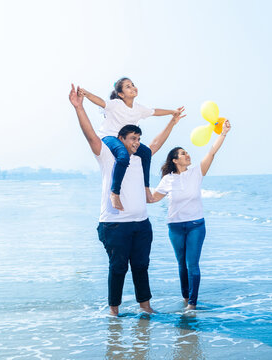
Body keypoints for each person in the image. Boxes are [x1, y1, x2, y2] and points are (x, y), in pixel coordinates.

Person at [69, 84, 185, 316]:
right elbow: (90, 135)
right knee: (118, 268)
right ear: (120, 138)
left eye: (138, 138)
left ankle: (146, 307)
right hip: (114, 225)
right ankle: (114, 311)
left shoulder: (140, 158)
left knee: (141, 267)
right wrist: (79, 108)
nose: (136, 142)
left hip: (141, 224)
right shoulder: (107, 155)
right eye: (132, 138)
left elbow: (156, 144)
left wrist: (172, 121)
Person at [148, 119, 231, 310]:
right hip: (175, 227)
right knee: (181, 265)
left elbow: (211, 152)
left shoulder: (197, 172)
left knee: (192, 264)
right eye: (183, 154)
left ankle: (192, 304)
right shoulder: (168, 179)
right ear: (175, 160)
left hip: (195, 226)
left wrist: (223, 133)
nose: (187, 155)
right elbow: (152, 199)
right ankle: (186, 297)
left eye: (187, 152)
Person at [78, 78, 184, 211]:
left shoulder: (138, 109)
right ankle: (115, 193)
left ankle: (146, 189)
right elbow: (100, 101)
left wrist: (172, 112)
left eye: (133, 84)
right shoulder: (116, 104)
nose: (133, 87)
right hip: (110, 137)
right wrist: (86, 94)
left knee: (146, 153)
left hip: (127, 139)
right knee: (123, 155)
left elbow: (154, 111)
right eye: (128, 86)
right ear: (121, 94)